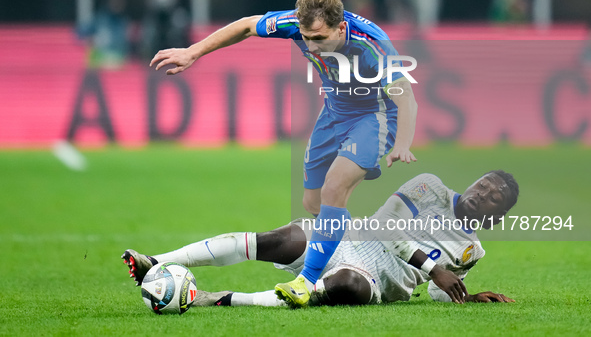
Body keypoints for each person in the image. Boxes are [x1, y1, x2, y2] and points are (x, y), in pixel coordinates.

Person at [149, 0, 418, 308]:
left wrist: (402, 143)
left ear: (341, 28)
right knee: (314, 204)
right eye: (305, 37)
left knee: (335, 188)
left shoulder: (372, 45)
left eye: (319, 38)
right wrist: (193, 51)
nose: (310, 46)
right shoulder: (295, 23)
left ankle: (305, 281)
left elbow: (406, 96)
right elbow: (247, 25)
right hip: (332, 111)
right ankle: (368, 246)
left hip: (374, 117)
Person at [122, 170, 519, 307]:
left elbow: (436, 292)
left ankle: (214, 299)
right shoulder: (429, 187)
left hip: (380, 279)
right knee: (279, 239)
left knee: (344, 286)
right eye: (483, 184)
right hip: (352, 235)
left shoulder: (471, 250)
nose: (482, 193)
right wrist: (434, 270)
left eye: (493, 196)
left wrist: (465, 294)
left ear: (497, 216)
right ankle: (155, 260)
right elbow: (382, 223)